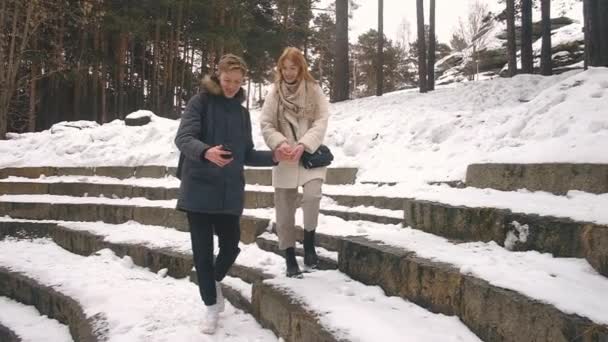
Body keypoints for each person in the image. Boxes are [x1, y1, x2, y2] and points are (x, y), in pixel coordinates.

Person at [175, 54, 278, 334]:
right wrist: (206, 151)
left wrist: (276, 156)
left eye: (237, 81)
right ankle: (210, 306)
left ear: (243, 81)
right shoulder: (200, 103)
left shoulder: (242, 113)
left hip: (229, 192)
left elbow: (247, 153)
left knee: (231, 245)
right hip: (198, 188)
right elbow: (183, 139)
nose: (231, 86)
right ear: (218, 76)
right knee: (203, 254)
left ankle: (212, 281)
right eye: (227, 80)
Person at [260, 47, 330, 278]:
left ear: (301, 68)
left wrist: (304, 144)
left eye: (293, 67)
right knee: (285, 208)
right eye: (285, 68)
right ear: (280, 69)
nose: (289, 72)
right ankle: (289, 255)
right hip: (286, 156)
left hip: (309, 154)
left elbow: (321, 121)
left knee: (312, 196)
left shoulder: (313, 90)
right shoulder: (274, 94)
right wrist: (280, 144)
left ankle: (309, 244)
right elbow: (267, 123)